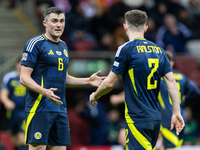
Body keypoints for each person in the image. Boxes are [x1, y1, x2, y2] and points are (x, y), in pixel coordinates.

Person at [89, 9, 185, 150]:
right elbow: (171, 82)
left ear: (125, 26)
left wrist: (95, 95)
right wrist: (176, 112)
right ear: (146, 28)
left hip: (137, 118)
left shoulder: (126, 49)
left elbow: (109, 82)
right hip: (155, 119)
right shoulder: (159, 50)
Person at [20, 7, 105, 150]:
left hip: (59, 108)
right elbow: (23, 78)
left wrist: (87, 81)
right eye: (54, 21)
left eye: (61, 21)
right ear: (45, 23)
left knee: (60, 148)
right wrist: (44, 91)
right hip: (39, 107)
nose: (58, 25)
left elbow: (63, 78)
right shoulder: (35, 43)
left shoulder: (64, 46)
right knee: (38, 148)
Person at [158, 51, 200, 150]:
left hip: (167, 118)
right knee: (166, 146)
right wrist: (185, 98)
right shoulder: (181, 77)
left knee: (171, 147)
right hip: (182, 116)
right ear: (171, 63)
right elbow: (196, 92)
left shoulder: (157, 78)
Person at [0, 56, 27, 150]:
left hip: (25, 112)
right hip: (12, 112)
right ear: (16, 64)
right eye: (20, 63)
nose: (22, 66)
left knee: (22, 139)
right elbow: (3, 93)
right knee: (14, 139)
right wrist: (7, 101)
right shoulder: (10, 77)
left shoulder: (30, 78)